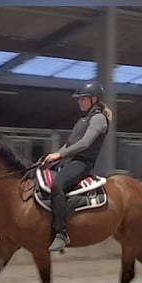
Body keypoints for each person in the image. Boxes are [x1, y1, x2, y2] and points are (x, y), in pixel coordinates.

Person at [42, 80, 112, 252]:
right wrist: (53, 157)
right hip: (69, 160)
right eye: (79, 99)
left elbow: (85, 144)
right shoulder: (84, 120)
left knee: (57, 186)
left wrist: (60, 155)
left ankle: (61, 234)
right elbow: (70, 144)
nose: (79, 101)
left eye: (82, 98)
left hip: (82, 163)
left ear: (93, 99)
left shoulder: (99, 119)